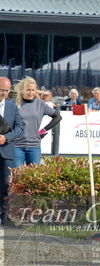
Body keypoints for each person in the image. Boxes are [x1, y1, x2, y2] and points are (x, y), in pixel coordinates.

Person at [13, 77, 62, 168]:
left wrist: (43, 131)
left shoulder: (40, 104)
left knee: (34, 178)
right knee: (14, 177)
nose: (31, 92)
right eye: (28, 90)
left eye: (33, 90)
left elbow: (58, 117)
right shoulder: (14, 103)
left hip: (34, 147)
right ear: (22, 90)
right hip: (16, 147)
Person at [0, 77, 24, 224]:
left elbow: (20, 128)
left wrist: (6, 138)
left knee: (5, 184)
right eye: (1, 90)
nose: (4, 93)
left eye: (6, 90)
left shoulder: (12, 107)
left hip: (6, 151)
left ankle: (4, 214)